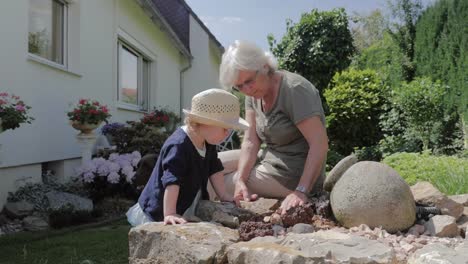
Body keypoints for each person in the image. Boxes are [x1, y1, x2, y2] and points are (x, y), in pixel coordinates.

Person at [218, 40, 328, 215]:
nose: (246, 89)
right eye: (239, 86)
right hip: (268, 158)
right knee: (210, 163)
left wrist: (301, 191)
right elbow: (250, 140)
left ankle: (193, 223)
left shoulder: (294, 89)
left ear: (264, 66)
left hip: (293, 172)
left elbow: (319, 143)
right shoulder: (252, 94)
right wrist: (241, 180)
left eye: (249, 81)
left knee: (217, 181)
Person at [126, 88, 249, 226]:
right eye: (225, 128)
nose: (228, 134)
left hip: (185, 201)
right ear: (204, 123)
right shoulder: (178, 146)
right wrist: (170, 212)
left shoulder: (208, 141)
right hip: (159, 209)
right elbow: (172, 180)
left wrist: (224, 195)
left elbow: (214, 168)